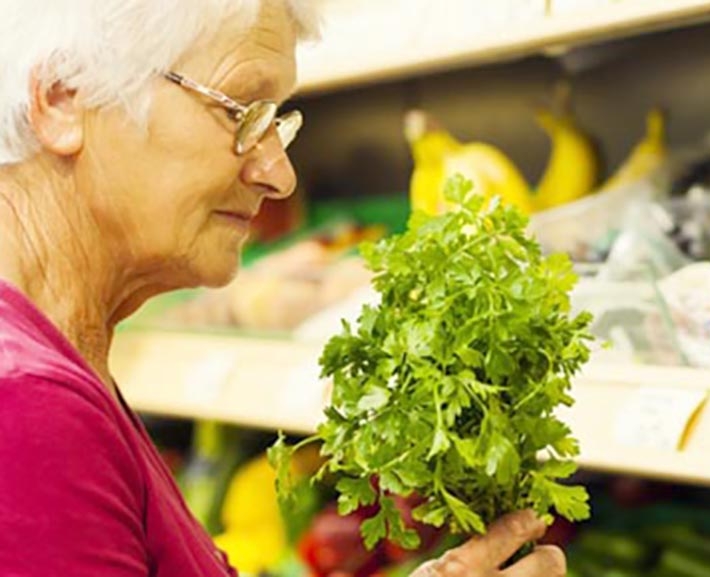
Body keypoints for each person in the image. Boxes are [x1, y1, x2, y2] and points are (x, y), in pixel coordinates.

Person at [0, 0, 568, 576]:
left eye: (277, 122)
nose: (279, 173)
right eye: (239, 111)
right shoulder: (25, 408)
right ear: (65, 97)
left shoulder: (53, 362)